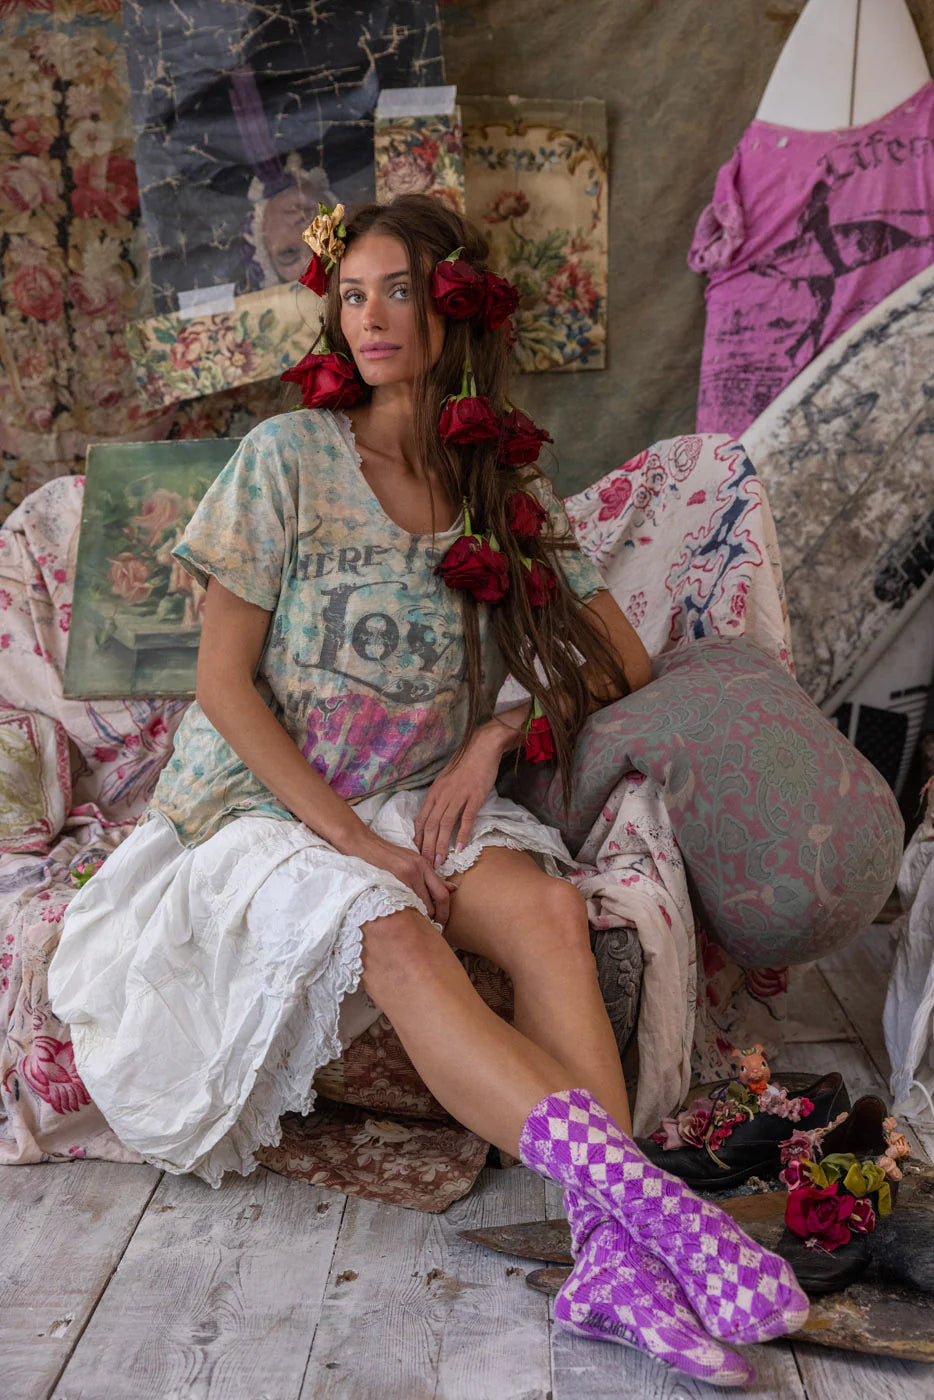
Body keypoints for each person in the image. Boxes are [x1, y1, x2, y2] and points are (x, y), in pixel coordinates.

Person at [49, 193, 807, 1386]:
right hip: (258, 806)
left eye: (396, 290)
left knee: (549, 911)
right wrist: (352, 843)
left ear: (454, 309)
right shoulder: (288, 456)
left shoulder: (496, 484)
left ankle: (606, 1265)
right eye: (351, 295)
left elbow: (619, 660)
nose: (369, 318)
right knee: (395, 932)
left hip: (413, 791)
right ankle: (661, 1209)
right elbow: (224, 687)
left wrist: (495, 734)